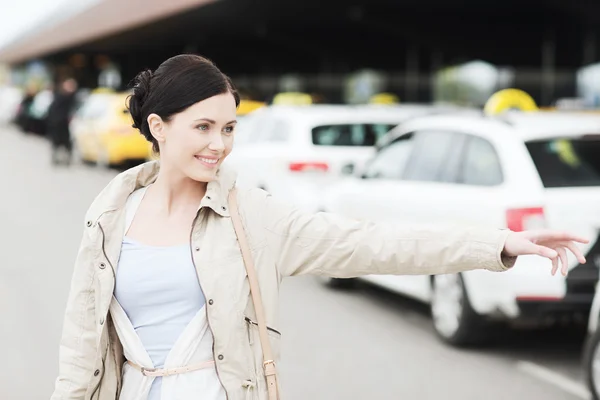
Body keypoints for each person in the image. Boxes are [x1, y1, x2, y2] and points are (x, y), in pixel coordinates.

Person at [50, 54, 588, 400]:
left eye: (230, 128)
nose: (219, 144)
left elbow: (372, 243)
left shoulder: (251, 216)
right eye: (204, 127)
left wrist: (495, 242)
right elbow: (81, 347)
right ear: (158, 127)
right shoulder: (109, 215)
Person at [47, 78, 78, 166]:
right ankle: (57, 159)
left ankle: (65, 159)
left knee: (66, 143)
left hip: (64, 124)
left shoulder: (71, 97)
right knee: (56, 143)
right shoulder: (60, 96)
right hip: (57, 123)